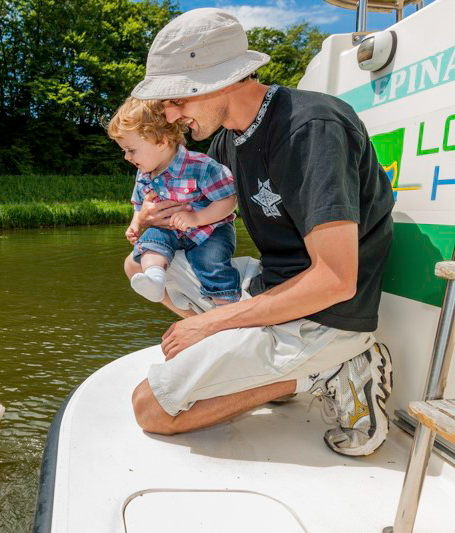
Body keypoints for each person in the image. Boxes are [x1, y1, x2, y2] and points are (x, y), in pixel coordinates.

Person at [128, 8, 395, 456]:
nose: (171, 116)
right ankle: (265, 367)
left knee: (152, 410)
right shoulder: (225, 143)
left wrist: (212, 323)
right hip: (274, 287)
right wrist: (153, 224)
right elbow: (200, 229)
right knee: (139, 263)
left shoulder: (309, 128)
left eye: (178, 99)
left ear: (221, 81)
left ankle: (329, 367)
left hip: (327, 315)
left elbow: (336, 278)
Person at [106, 97, 241, 308]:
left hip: (209, 230)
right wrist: (136, 224)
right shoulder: (145, 174)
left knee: (210, 261)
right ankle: (154, 278)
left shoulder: (201, 166)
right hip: (170, 230)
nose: (126, 157)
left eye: (131, 150)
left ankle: (227, 305)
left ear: (161, 142)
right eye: (124, 151)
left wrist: (197, 218)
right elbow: (139, 203)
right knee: (150, 244)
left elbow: (228, 200)